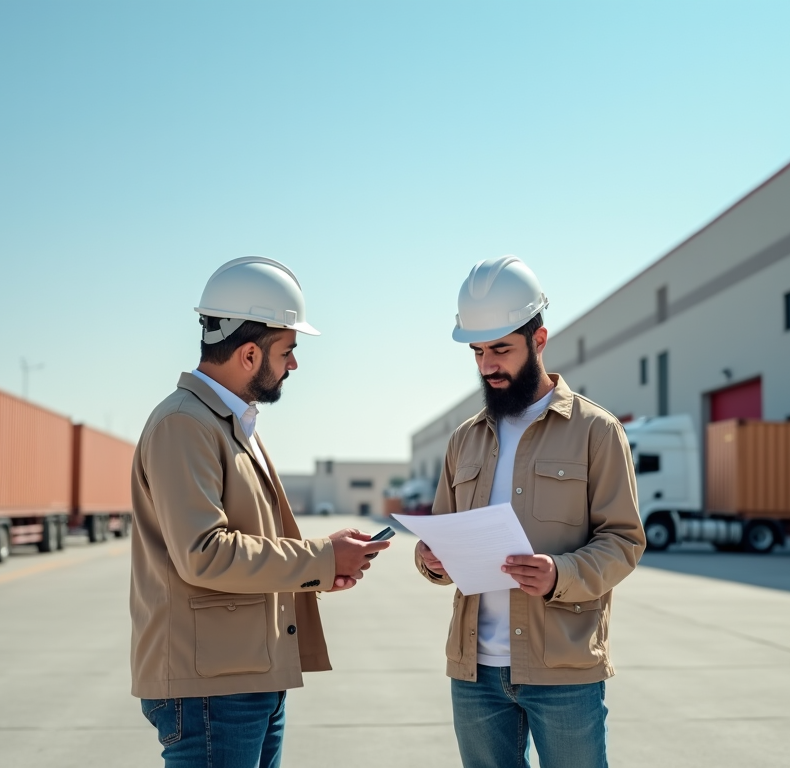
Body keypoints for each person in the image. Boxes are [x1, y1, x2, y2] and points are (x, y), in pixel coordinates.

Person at [130, 257, 390, 768]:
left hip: (244, 677)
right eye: (288, 350)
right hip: (211, 690)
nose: (294, 364)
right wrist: (320, 558)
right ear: (249, 353)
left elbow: (247, 542)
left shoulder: (226, 423)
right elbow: (203, 554)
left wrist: (324, 564)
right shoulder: (184, 425)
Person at [414, 256, 645, 768]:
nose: (486, 365)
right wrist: (430, 560)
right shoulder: (464, 440)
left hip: (562, 669)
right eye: (477, 351)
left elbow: (624, 541)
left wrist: (559, 574)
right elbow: (438, 536)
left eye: (501, 349)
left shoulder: (596, 432)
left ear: (539, 341)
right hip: (475, 673)